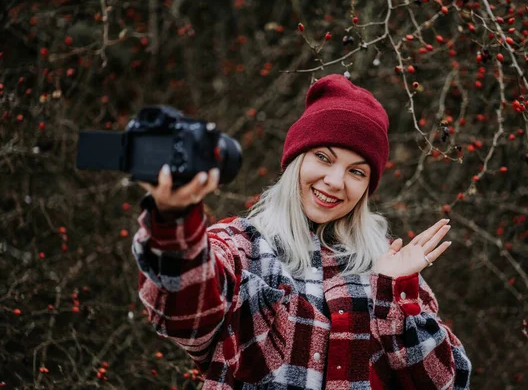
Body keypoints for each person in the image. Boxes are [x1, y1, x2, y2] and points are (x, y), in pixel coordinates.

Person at [133, 74, 472, 389]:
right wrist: (175, 220)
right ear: (296, 159)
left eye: (356, 172)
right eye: (323, 157)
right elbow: (184, 314)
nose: (335, 181)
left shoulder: (387, 262)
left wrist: (392, 296)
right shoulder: (245, 245)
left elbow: (449, 382)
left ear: (368, 187)